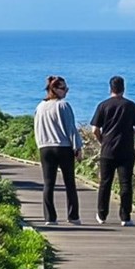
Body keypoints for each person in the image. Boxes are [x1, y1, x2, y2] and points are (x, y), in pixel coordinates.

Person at [90, 75, 135, 227]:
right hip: (126, 150)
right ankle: (125, 216)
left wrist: (102, 140)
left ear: (110, 88)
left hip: (107, 149)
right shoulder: (130, 105)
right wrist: (131, 136)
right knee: (126, 183)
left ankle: (102, 215)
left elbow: (95, 129)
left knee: (105, 183)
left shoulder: (103, 105)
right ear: (123, 88)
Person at [33, 75, 83, 226]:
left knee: (48, 183)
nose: (66, 91)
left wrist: (40, 144)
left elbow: (36, 128)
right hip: (63, 147)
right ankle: (73, 216)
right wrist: (77, 147)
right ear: (54, 89)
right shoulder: (63, 105)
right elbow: (70, 128)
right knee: (69, 182)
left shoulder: (40, 107)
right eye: (63, 88)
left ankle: (50, 217)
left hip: (45, 147)